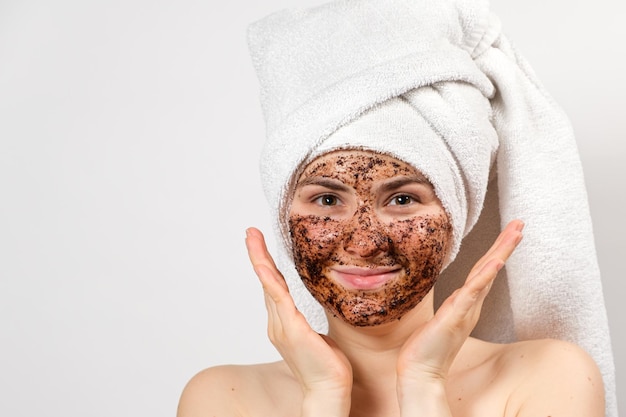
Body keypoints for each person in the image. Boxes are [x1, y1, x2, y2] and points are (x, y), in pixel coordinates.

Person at [177, 0, 616, 416]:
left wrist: (424, 386)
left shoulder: (547, 378)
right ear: (284, 218)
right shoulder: (222, 398)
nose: (365, 242)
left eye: (402, 200)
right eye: (327, 200)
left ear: (455, 216)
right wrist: (324, 397)